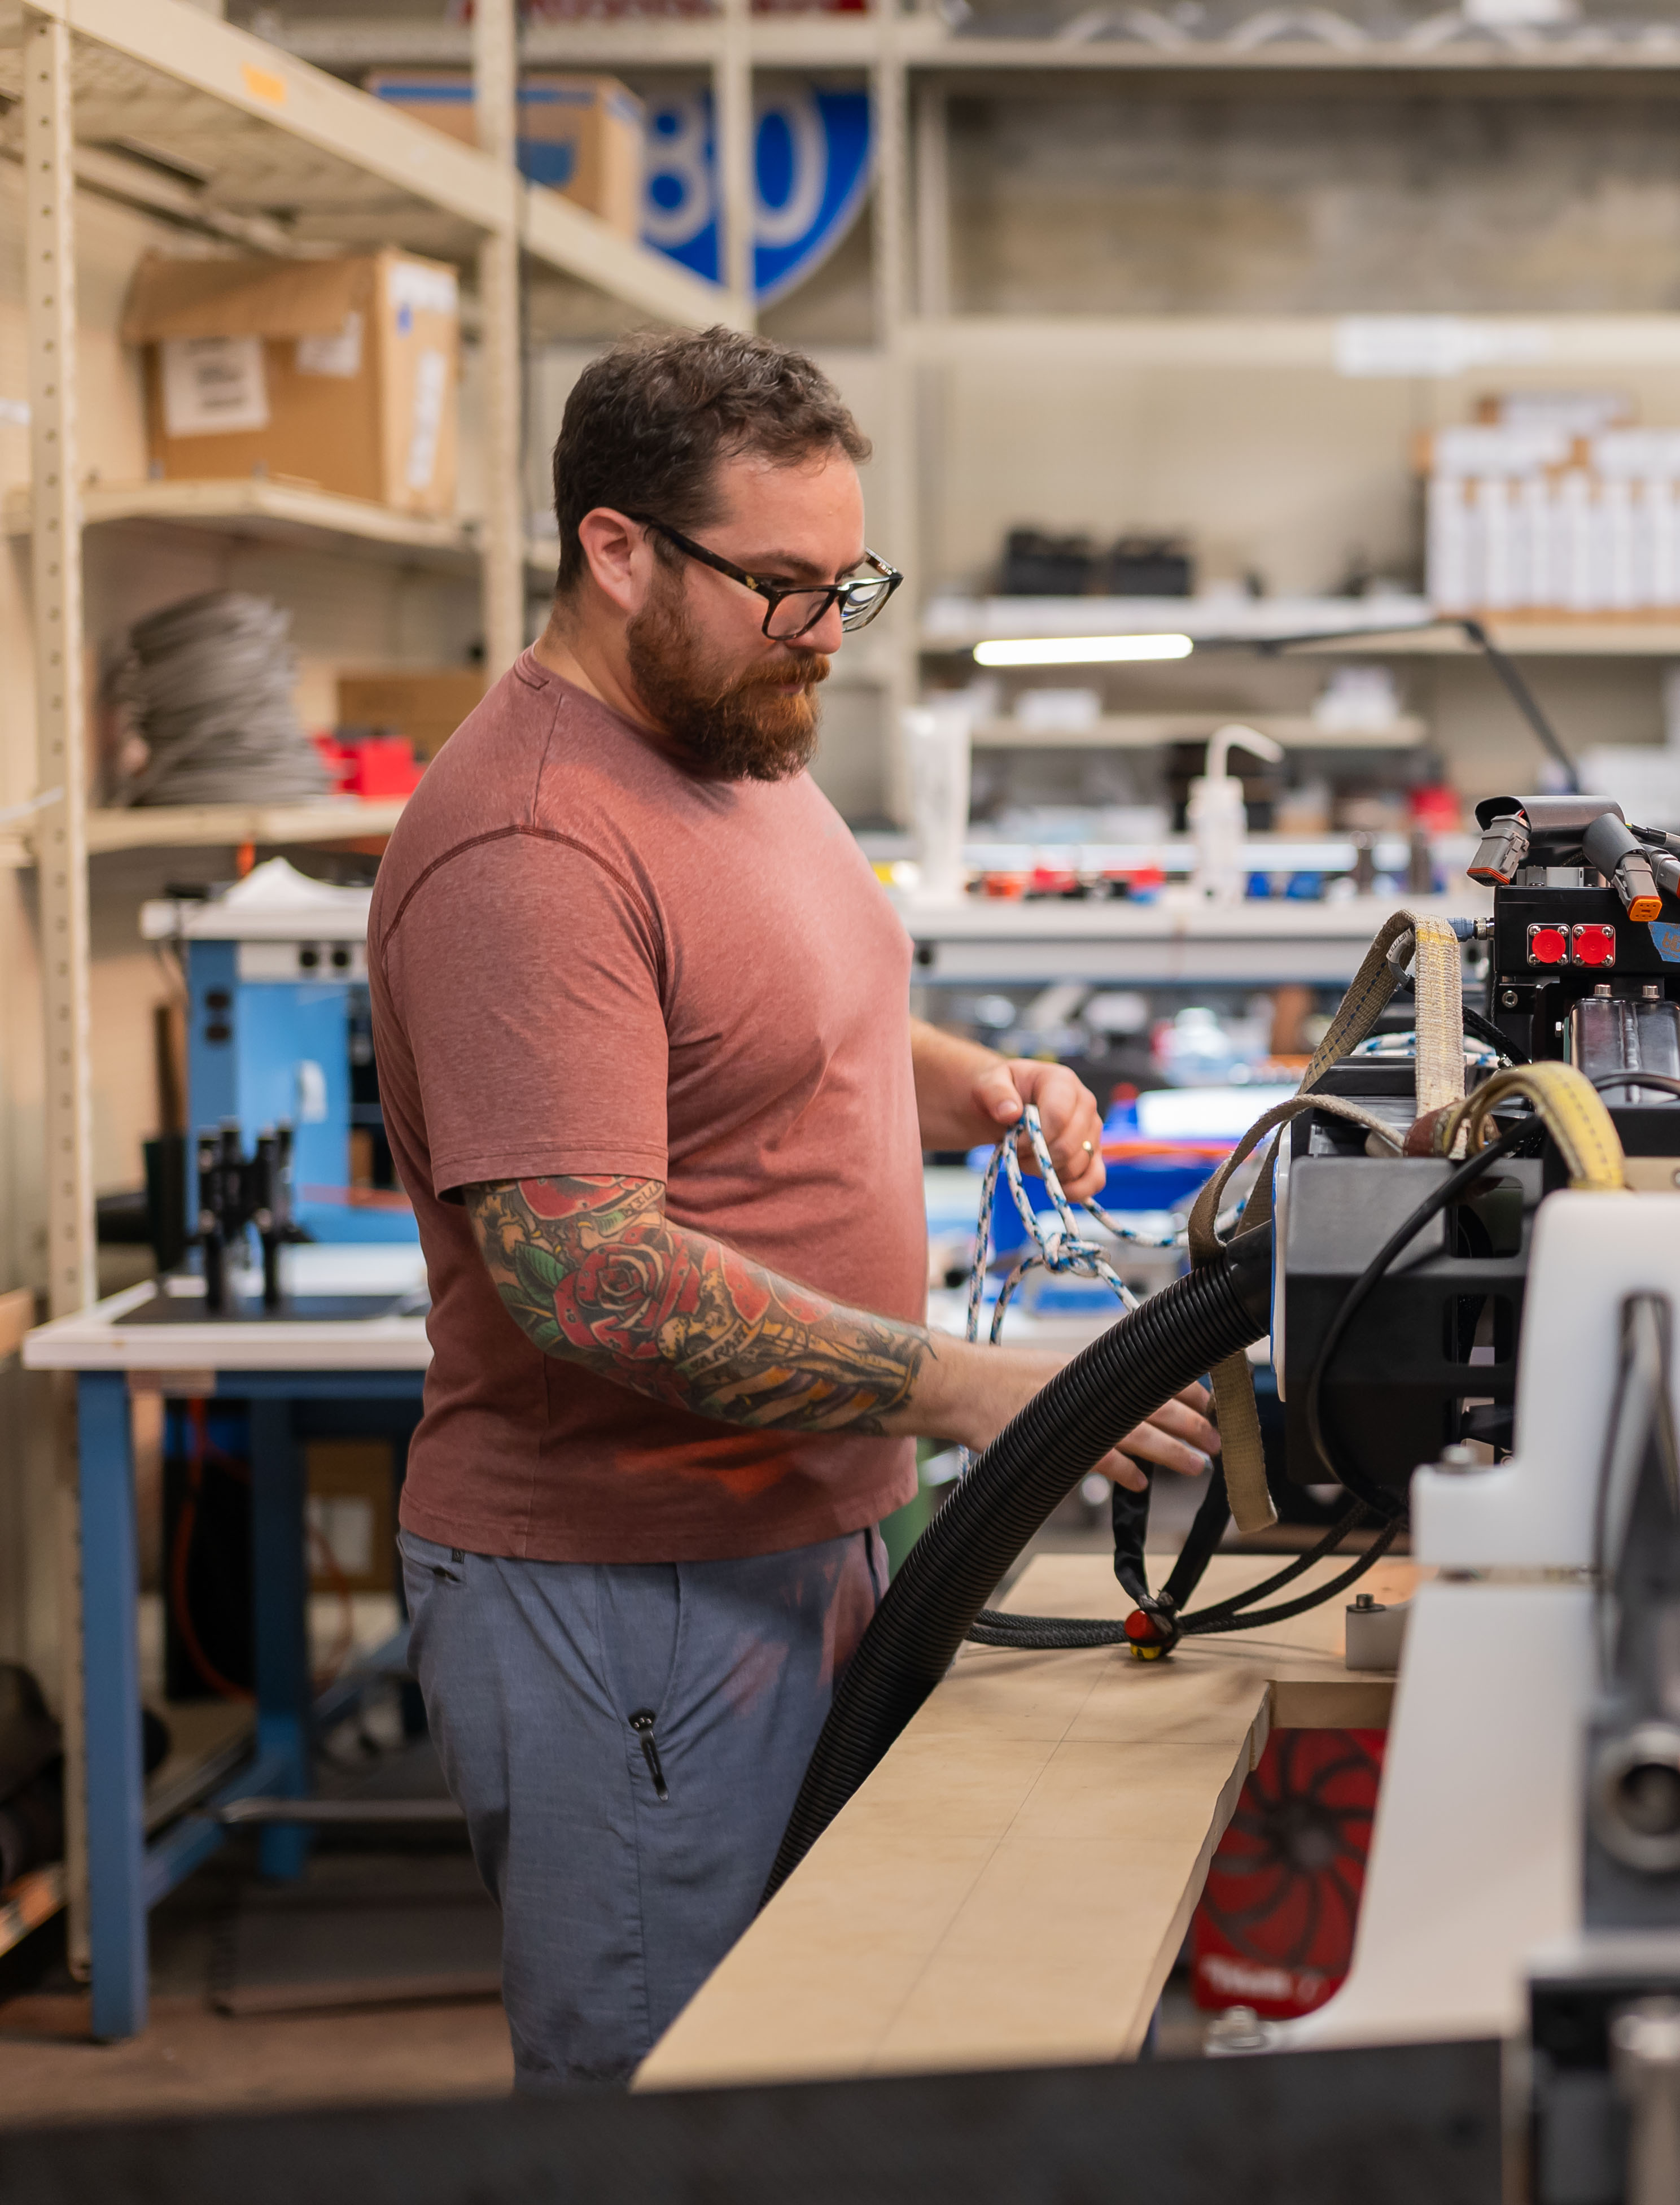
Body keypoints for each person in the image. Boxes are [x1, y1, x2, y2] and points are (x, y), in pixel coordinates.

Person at [366, 328, 1217, 2090]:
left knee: (811, 2064)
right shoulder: (528, 846)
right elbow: (590, 1277)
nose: (828, 630)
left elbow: (776, 1013)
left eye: (850, 582)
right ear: (616, 553)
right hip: (626, 1594)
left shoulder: (735, 736)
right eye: (782, 585)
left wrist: (968, 1077)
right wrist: (980, 1388)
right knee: (673, 2102)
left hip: (792, 1537)